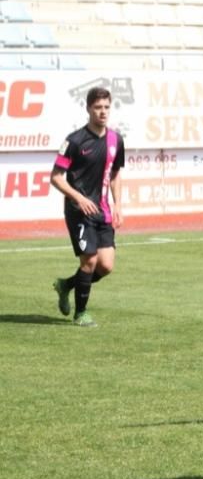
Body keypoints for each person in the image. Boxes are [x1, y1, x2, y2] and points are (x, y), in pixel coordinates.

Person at [50, 87, 125, 327]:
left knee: (106, 266)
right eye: (97, 107)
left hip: (102, 211)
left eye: (106, 107)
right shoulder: (74, 141)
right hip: (78, 210)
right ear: (88, 109)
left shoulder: (116, 140)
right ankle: (81, 314)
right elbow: (56, 177)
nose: (103, 112)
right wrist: (79, 198)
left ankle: (66, 286)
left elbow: (114, 175)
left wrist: (118, 205)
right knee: (89, 261)